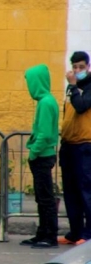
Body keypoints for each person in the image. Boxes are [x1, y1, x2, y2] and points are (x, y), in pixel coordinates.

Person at [19, 64, 59, 249]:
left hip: (42, 156)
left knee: (45, 198)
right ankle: (42, 233)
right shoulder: (48, 100)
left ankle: (49, 235)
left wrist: (33, 152)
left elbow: (43, 134)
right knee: (43, 198)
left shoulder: (45, 103)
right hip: (45, 154)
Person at [60, 51, 91, 245]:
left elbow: (81, 106)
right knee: (70, 192)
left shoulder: (87, 88)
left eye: (81, 67)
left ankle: (88, 234)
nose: (77, 70)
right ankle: (75, 232)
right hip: (69, 146)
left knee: (85, 190)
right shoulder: (73, 89)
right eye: (74, 67)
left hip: (84, 146)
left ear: (88, 67)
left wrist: (73, 86)